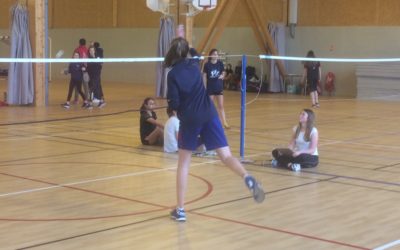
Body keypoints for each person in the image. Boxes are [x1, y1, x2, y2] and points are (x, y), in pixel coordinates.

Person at [165, 37, 265, 222]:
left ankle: (180, 210)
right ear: (187, 50)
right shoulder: (195, 66)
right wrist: (187, 44)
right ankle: (246, 176)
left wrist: (173, 111)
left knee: (184, 164)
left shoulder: (173, 75)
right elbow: (195, 54)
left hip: (191, 118)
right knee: (226, 156)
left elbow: (174, 103)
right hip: (210, 114)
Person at [203, 49, 230, 129]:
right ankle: (206, 122)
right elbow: (204, 76)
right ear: (211, 55)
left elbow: (223, 72)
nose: (216, 55)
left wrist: (223, 75)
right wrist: (204, 87)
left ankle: (224, 122)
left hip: (219, 87)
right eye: (214, 54)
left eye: (217, 54)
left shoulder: (220, 63)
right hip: (210, 88)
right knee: (209, 106)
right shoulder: (207, 65)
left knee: (221, 106)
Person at [73, 38, 89, 103]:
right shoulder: (87, 50)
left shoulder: (77, 50)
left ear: (79, 43)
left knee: (77, 86)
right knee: (86, 86)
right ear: (85, 43)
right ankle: (86, 99)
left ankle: (76, 100)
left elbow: (73, 59)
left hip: (78, 70)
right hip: (85, 70)